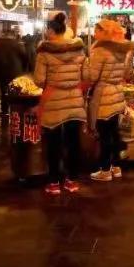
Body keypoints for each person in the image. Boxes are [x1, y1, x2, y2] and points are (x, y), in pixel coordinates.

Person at [34, 12, 87, 195]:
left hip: (54, 101)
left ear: (51, 30)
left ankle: (54, 182)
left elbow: (39, 80)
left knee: (54, 142)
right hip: (74, 100)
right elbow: (85, 75)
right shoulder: (79, 49)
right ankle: (72, 180)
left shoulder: (44, 51)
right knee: (73, 142)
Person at [86, 19, 134, 182]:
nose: (94, 33)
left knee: (105, 134)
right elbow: (126, 73)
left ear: (104, 32)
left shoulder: (99, 50)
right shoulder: (121, 50)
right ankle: (116, 166)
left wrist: (84, 68)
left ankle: (105, 170)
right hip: (117, 93)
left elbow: (92, 76)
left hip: (103, 96)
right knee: (113, 132)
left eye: (97, 30)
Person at [0, 29, 30, 117]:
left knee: (4, 92)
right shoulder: (17, 44)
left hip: (2, 72)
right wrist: (23, 69)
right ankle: (16, 110)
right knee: (16, 91)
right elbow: (25, 57)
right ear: (12, 35)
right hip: (16, 72)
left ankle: (4, 111)